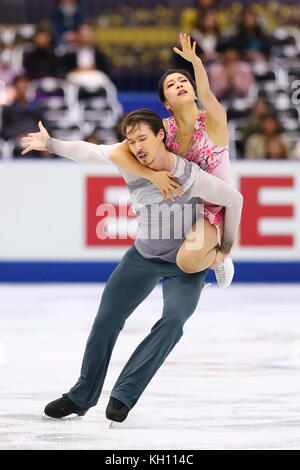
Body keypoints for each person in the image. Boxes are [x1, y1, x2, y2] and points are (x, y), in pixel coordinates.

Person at [21, 109, 243, 422]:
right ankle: (82, 395)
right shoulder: (129, 164)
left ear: (161, 137)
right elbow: (88, 150)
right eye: (131, 140)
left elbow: (233, 199)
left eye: (143, 138)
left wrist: (225, 248)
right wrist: (52, 143)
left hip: (184, 267)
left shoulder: (187, 173)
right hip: (142, 258)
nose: (137, 146)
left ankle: (124, 394)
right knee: (105, 320)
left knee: (173, 322)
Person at [105, 33, 235, 286]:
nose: (179, 84)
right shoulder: (164, 129)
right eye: (172, 84)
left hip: (217, 208)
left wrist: (195, 63)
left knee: (187, 262)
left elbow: (208, 96)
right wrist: (152, 175)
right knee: (166, 255)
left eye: (183, 80)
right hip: (183, 206)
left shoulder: (213, 120)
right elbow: (120, 151)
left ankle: (220, 257)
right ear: (166, 103)